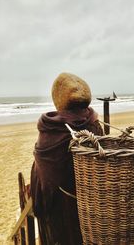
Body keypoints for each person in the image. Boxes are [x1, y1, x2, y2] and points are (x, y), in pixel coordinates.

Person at [30, 73, 103, 245]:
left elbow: (46, 172)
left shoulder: (50, 129)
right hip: (90, 207)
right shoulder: (93, 123)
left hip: (61, 209)